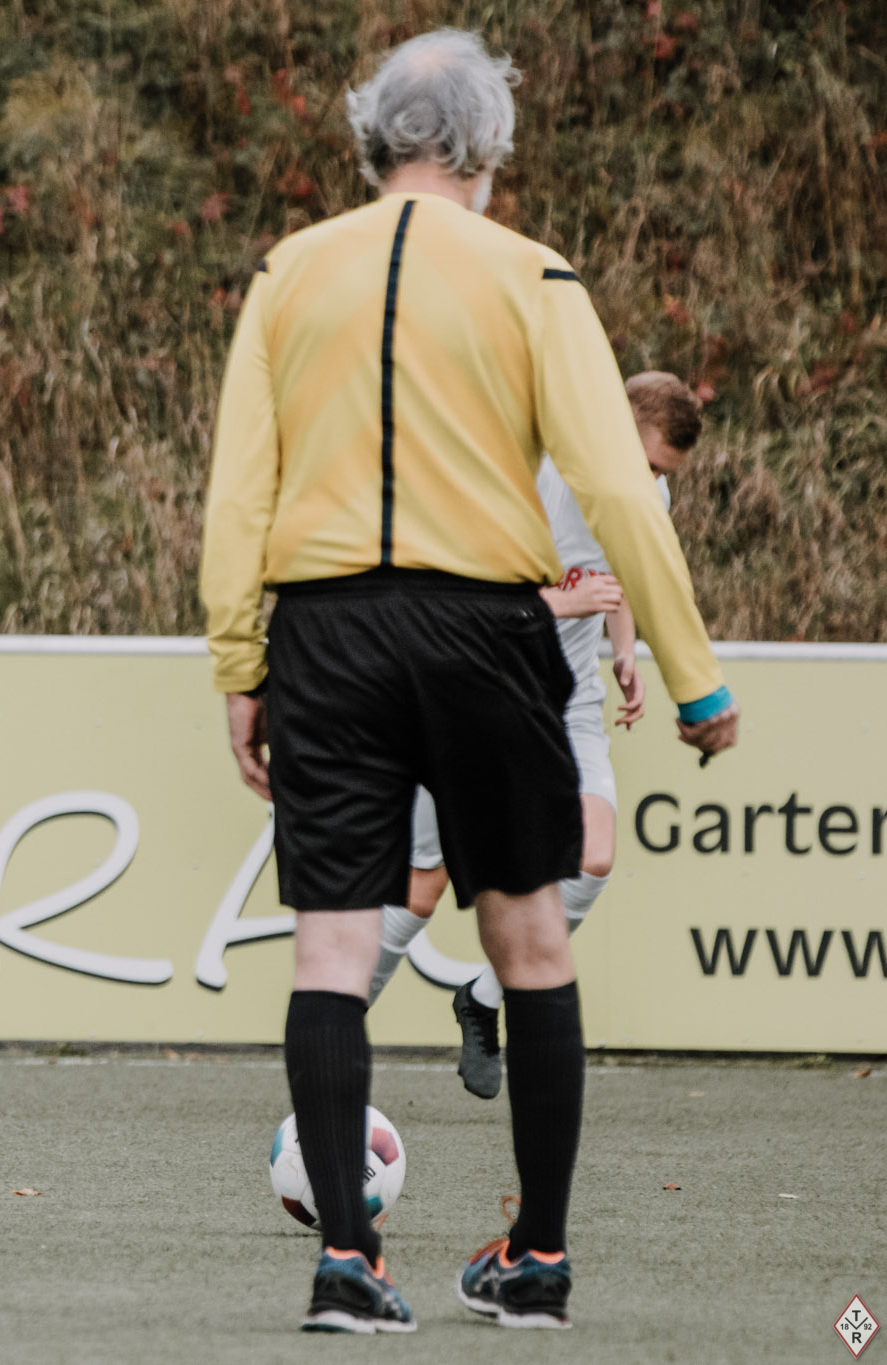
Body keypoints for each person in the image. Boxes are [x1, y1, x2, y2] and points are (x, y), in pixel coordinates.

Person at [201, 31, 739, 1335]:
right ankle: (536, 1260)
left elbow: (238, 493)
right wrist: (694, 679)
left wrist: (239, 661)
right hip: (486, 631)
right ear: (487, 150)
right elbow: (617, 487)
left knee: (331, 949)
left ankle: (346, 1264)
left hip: (327, 630)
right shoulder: (534, 274)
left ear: (369, 139)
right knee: (532, 939)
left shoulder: (288, 271)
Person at [370, 373, 705, 1103]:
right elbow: (459, 599)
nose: (652, 482)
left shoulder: (646, 495)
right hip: (468, 686)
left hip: (565, 697)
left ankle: (481, 998)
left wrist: (624, 646)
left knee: (592, 856)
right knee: (422, 889)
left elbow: (622, 572)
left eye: (663, 474)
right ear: (612, 427)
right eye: (648, 464)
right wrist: (561, 602)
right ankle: (330, 1035)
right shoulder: (527, 468)